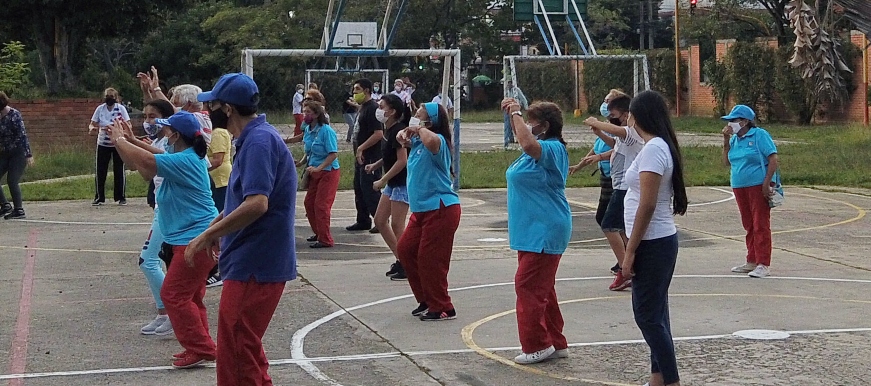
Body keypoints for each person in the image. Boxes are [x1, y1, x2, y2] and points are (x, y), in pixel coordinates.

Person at [189, 72, 297, 385]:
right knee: (244, 347)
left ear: (229, 109)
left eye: (213, 105)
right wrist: (218, 223)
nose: (208, 111)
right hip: (251, 262)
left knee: (237, 351)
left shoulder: (259, 142)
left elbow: (257, 203)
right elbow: (243, 198)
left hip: (256, 263)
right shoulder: (252, 138)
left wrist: (208, 235)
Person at [108, 110, 218, 369]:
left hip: (195, 240)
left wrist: (119, 140)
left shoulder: (186, 161)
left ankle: (203, 348)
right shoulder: (186, 156)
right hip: (190, 238)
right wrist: (129, 140)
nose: (163, 133)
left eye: (167, 130)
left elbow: (147, 162)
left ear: (177, 135)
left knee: (174, 295)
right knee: (190, 297)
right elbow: (148, 162)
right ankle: (199, 345)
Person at [621, 90, 688, 386]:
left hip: (653, 242)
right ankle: (658, 378)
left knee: (647, 316)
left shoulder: (653, 149)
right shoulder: (655, 145)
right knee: (657, 315)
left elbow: (647, 204)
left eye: (630, 114)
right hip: (655, 241)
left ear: (638, 115)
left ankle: (671, 381)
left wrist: (630, 250)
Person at [501, 98, 571, 364]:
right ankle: (555, 341)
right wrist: (511, 115)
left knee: (527, 286)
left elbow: (528, 143)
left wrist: (517, 112)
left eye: (532, 121)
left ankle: (537, 345)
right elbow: (525, 143)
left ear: (545, 126)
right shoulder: (531, 153)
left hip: (545, 228)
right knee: (544, 288)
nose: (527, 125)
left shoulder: (552, 148)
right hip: (530, 230)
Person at [114, 99, 176, 335]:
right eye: (145, 116)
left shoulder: (171, 143)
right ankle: (165, 312)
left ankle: (170, 312)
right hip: (163, 207)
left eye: (152, 117)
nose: (147, 121)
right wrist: (120, 142)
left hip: (172, 211)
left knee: (148, 260)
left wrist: (127, 141)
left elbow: (161, 162)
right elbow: (141, 170)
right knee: (157, 261)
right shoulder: (157, 141)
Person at [395, 102, 461, 321]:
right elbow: (405, 140)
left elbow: (432, 141)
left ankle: (443, 306)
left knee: (430, 259)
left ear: (429, 121)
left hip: (440, 208)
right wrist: (403, 137)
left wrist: (420, 129)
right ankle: (426, 298)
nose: (414, 117)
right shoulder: (418, 144)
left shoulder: (438, 141)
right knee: (406, 250)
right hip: (422, 209)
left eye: (419, 115)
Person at [583, 94, 642, 291]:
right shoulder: (623, 136)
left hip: (625, 188)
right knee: (623, 229)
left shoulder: (632, 132)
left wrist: (596, 122)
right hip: (620, 185)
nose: (611, 119)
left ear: (626, 115)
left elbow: (618, 132)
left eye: (613, 115)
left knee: (609, 226)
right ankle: (633, 263)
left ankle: (625, 271)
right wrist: (598, 133)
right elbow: (615, 145)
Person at [721, 104, 779, 278]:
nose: (731, 123)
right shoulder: (734, 140)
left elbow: (773, 158)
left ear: (745, 121)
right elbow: (727, 162)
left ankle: (763, 263)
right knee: (748, 223)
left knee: (760, 223)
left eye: (734, 120)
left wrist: (766, 182)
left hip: (756, 184)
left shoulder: (759, 135)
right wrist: (725, 141)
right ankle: (752, 259)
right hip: (739, 185)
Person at [364, 94, 411, 280]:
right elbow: (389, 155)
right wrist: (376, 165)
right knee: (380, 220)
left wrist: (382, 179)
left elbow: (402, 161)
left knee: (398, 225)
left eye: (382, 106)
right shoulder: (389, 130)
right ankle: (401, 259)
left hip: (401, 184)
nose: (379, 109)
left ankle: (408, 264)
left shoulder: (399, 131)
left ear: (392, 111)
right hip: (393, 183)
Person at [300, 100, 340, 248]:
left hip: (328, 172)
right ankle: (319, 232)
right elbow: (309, 150)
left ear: (316, 114)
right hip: (314, 171)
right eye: (304, 112)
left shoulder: (326, 131)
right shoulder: (308, 130)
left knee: (321, 205)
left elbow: (332, 154)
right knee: (309, 203)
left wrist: (319, 168)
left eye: (308, 112)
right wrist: (301, 162)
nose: (305, 115)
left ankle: (325, 239)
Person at [346, 78, 384, 233]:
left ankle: (381, 221)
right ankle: (363, 219)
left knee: (370, 189)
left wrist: (361, 148)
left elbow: (378, 133)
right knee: (359, 188)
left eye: (357, 89)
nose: (354, 93)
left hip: (370, 156)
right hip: (360, 157)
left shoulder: (373, 108)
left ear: (366, 90)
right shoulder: (363, 108)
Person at [89, 87, 130, 206]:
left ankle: (121, 196)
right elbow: (92, 124)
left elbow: (128, 124)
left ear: (116, 98)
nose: (109, 99)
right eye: (107, 96)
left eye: (112, 97)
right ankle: (99, 196)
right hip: (103, 143)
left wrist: (120, 129)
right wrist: (93, 129)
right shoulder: (100, 109)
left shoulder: (121, 109)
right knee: (100, 170)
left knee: (119, 170)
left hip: (117, 142)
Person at [0, 91, 34, 220]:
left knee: (12, 180)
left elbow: (22, 135)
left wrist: (28, 154)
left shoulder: (14, 115)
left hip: (18, 152)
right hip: (4, 152)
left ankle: (19, 210)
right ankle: (5, 206)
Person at [503, 80, 528, 149]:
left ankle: (518, 140)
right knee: (507, 126)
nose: (508, 85)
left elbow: (523, 99)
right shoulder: (506, 91)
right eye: (507, 84)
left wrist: (526, 108)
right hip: (507, 109)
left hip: (515, 109)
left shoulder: (516, 90)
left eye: (509, 83)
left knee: (516, 125)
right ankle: (507, 142)